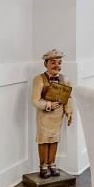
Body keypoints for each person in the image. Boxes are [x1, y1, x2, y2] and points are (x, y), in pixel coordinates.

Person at [30, 48, 73, 178]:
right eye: (53, 62)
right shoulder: (39, 79)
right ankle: (43, 166)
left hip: (57, 117)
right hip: (44, 116)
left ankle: (52, 164)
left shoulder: (64, 79)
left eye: (59, 63)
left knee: (54, 139)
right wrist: (48, 105)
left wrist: (69, 111)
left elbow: (68, 97)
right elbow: (35, 100)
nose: (56, 65)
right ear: (46, 64)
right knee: (43, 140)